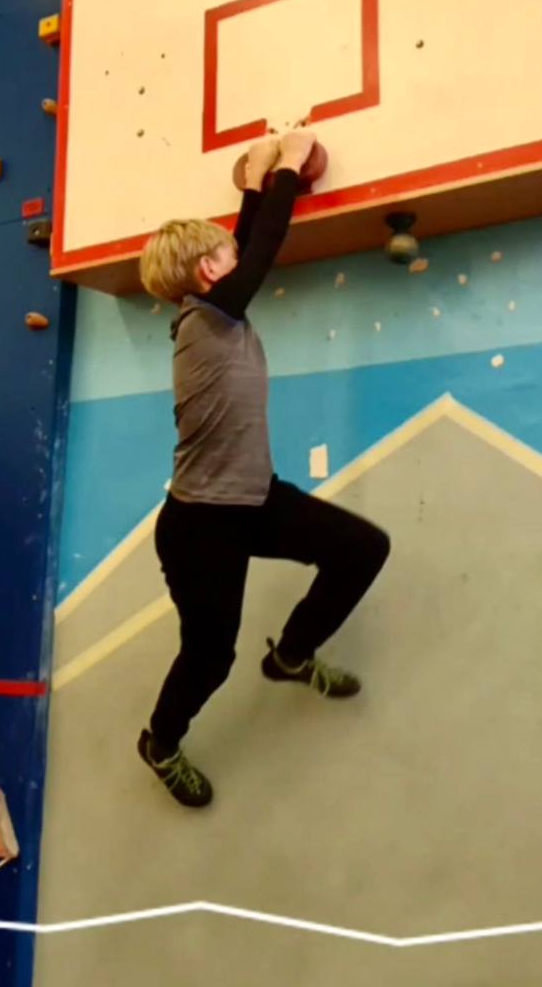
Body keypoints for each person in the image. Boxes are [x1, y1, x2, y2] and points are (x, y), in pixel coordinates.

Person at [136, 128, 391, 807]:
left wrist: (252, 180)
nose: (237, 251)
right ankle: (160, 743)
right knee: (210, 656)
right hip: (200, 526)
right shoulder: (203, 323)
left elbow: (245, 250)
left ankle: (290, 656)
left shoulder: (219, 313)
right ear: (209, 274)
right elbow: (262, 250)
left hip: (253, 501)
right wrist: (285, 170)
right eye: (225, 253)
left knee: (362, 548)